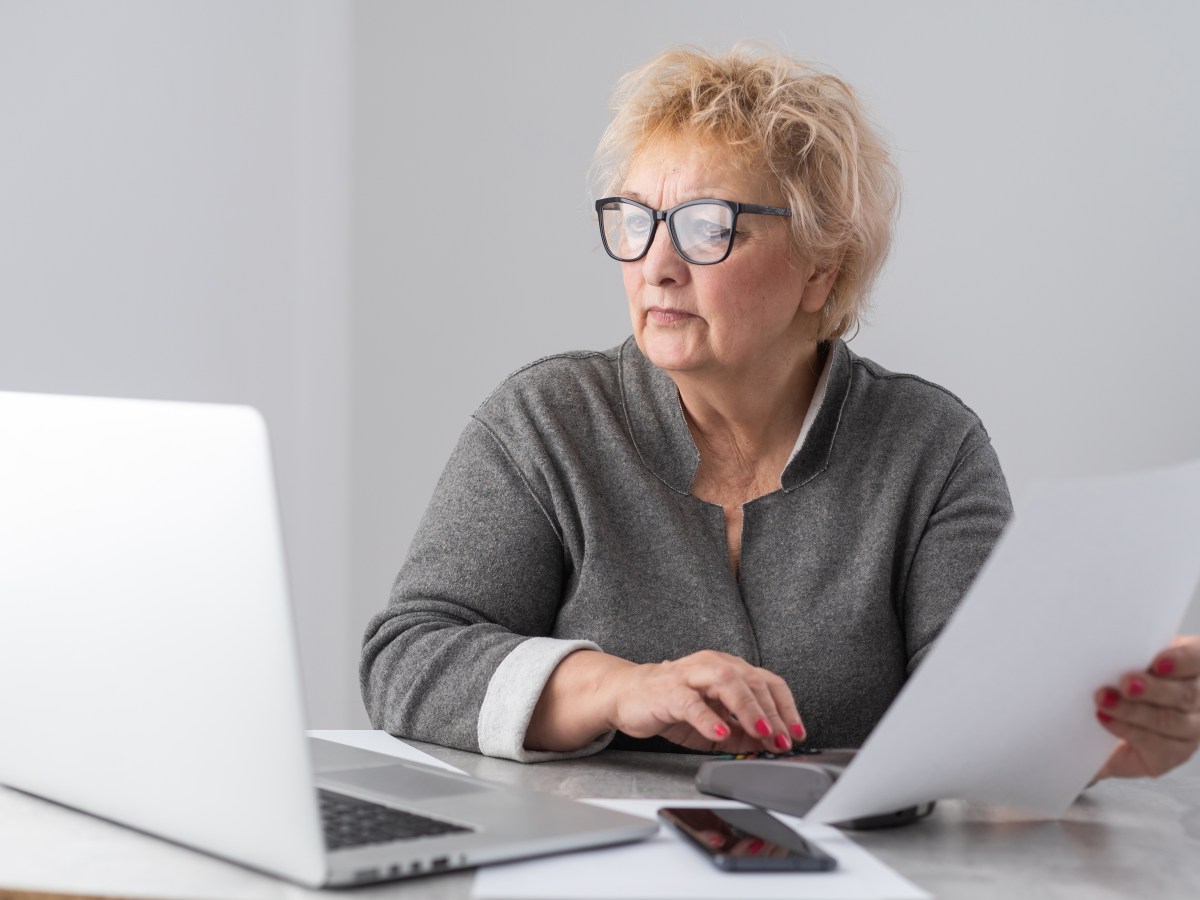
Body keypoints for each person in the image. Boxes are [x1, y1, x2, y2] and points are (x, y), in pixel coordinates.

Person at [360, 45, 1199, 779]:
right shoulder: (544, 423)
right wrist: (618, 686)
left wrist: (1096, 747)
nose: (656, 264)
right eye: (637, 220)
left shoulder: (930, 450)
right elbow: (408, 658)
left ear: (820, 269)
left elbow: (978, 724)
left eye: (705, 225)